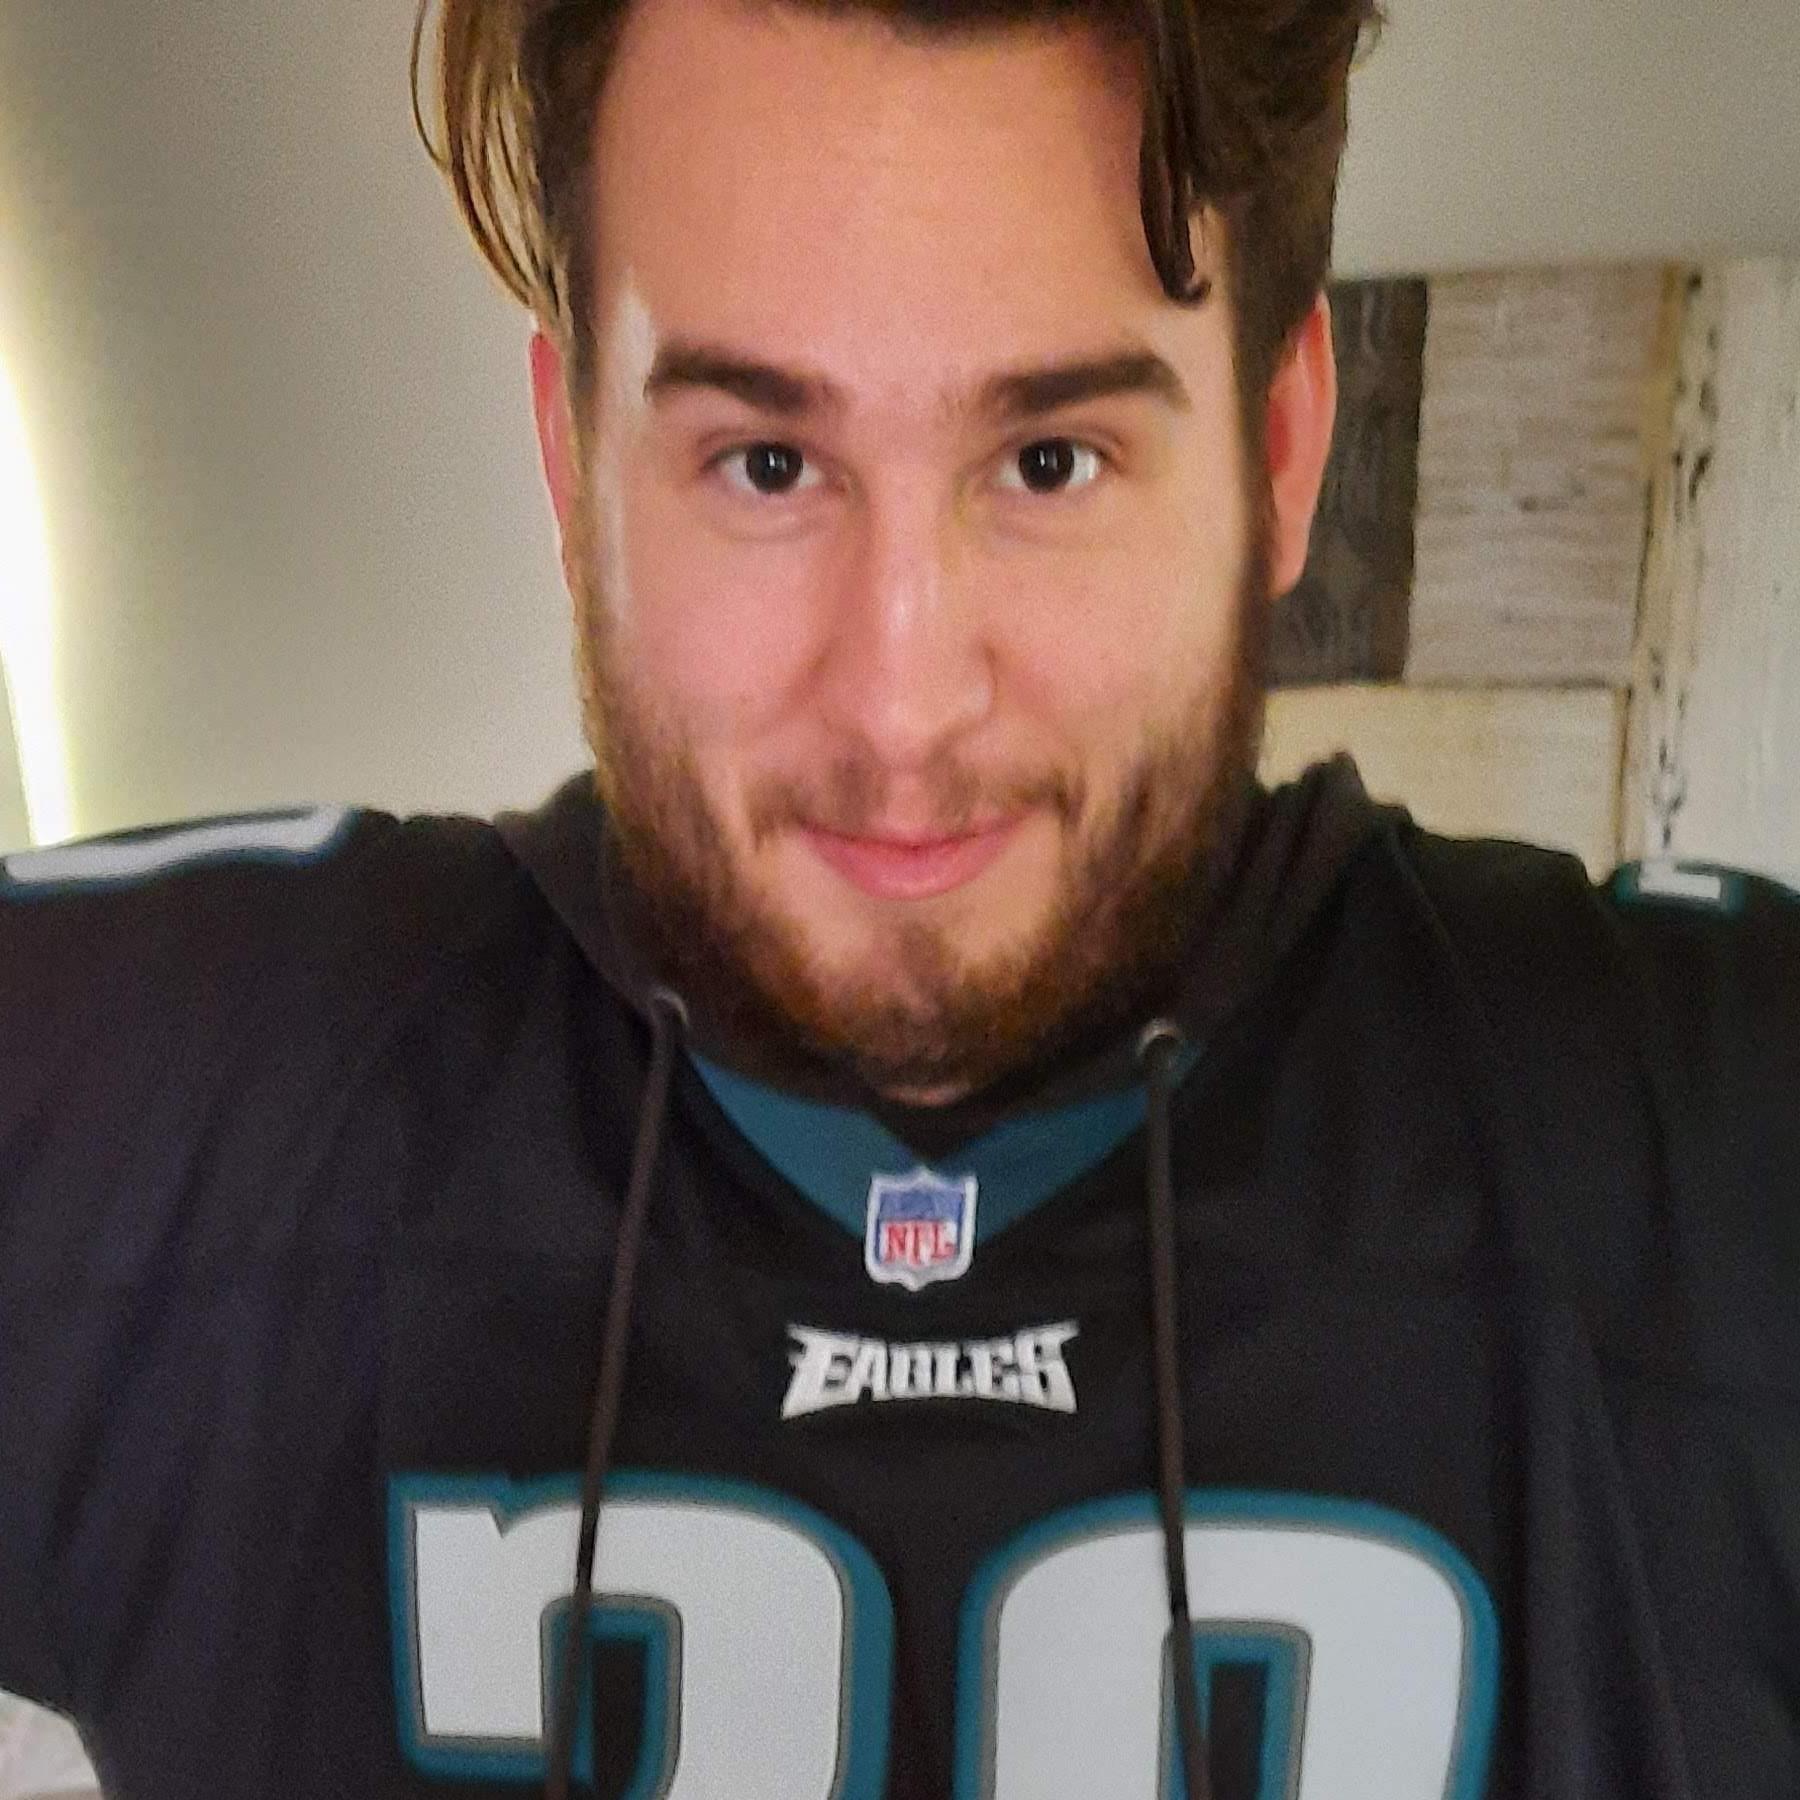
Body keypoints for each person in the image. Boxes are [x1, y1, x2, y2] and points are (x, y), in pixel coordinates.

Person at [1, 0, 1796, 1791]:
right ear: (572, 465)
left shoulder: (1687, 1128)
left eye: (1050, 461)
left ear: (1278, 447)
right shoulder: (207, 1100)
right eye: (767, 464)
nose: (902, 705)